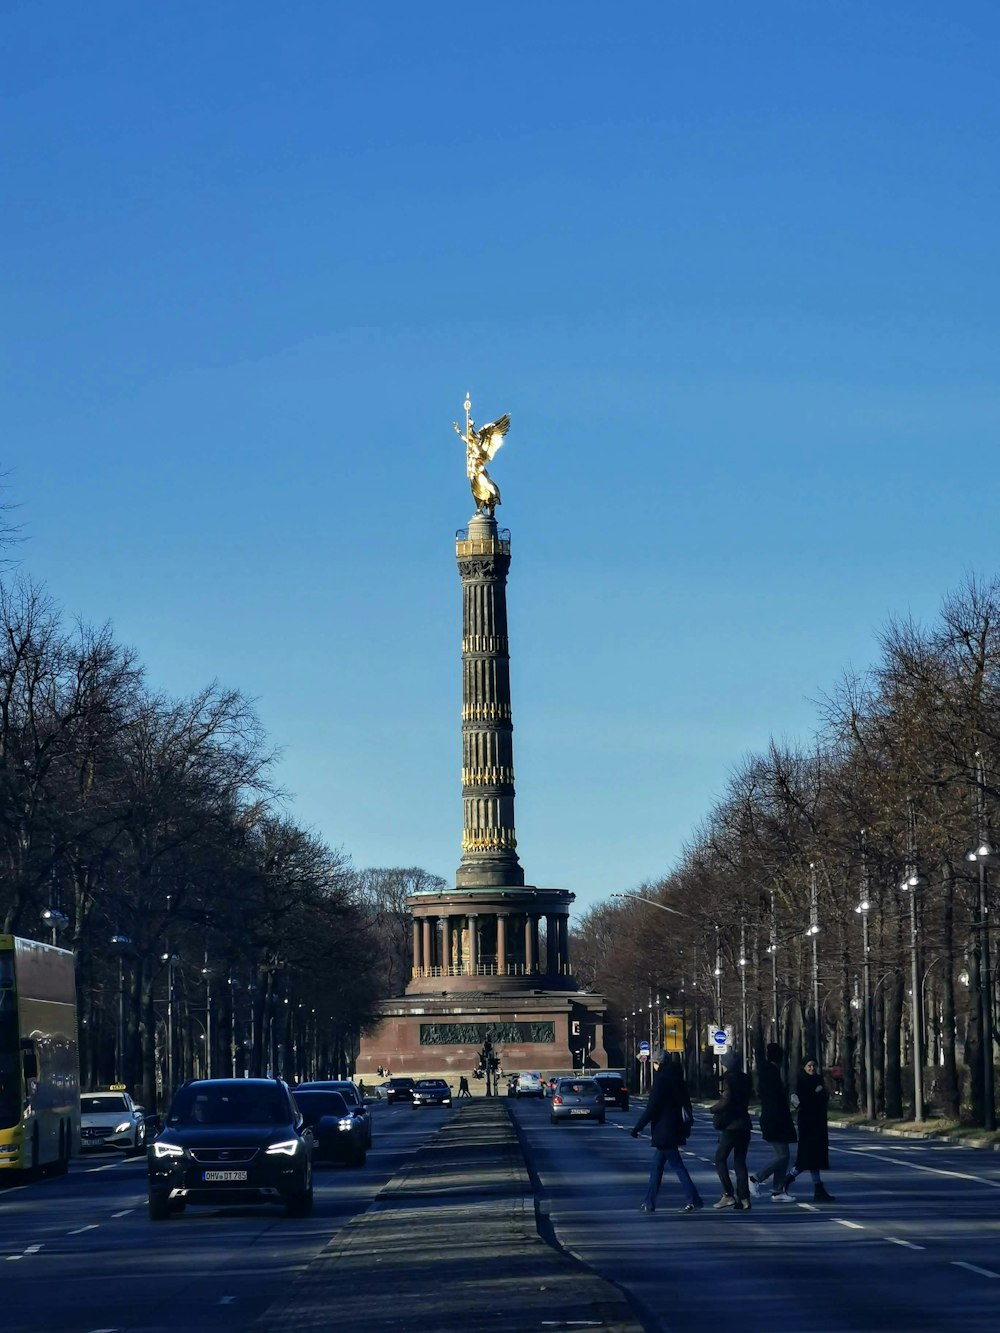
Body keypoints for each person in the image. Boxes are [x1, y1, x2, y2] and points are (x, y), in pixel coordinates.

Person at [630, 1050, 703, 1214]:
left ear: (658, 1063)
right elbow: (687, 1106)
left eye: (654, 1064)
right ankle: (649, 1202)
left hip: (665, 1130)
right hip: (676, 1128)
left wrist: (637, 1128)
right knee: (657, 1166)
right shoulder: (678, 1078)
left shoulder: (661, 1080)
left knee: (677, 1166)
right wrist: (687, 1127)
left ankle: (694, 1198)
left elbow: (652, 1108)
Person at [749, 1043, 796, 1202]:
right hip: (775, 1120)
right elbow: (775, 1100)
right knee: (782, 1156)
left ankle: (777, 1190)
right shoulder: (771, 1073)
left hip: (774, 1118)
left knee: (784, 1155)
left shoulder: (766, 1072)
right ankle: (756, 1178)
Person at [783, 1058, 835, 1202]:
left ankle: (818, 1188)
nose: (812, 1068)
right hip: (807, 1123)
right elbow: (802, 1102)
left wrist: (822, 1093)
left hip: (819, 1122)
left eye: (814, 1066)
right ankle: (787, 1180)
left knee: (815, 1158)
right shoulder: (802, 1081)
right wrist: (816, 1092)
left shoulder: (819, 1079)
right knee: (807, 1156)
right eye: (809, 1066)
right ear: (804, 1067)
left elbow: (824, 1099)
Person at [710, 1050, 753, 1210]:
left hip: (731, 1125)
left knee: (720, 1158)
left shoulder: (729, 1079)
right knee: (740, 1161)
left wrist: (713, 1109)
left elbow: (726, 1100)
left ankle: (728, 1194)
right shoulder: (746, 1078)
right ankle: (744, 1198)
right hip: (745, 1124)